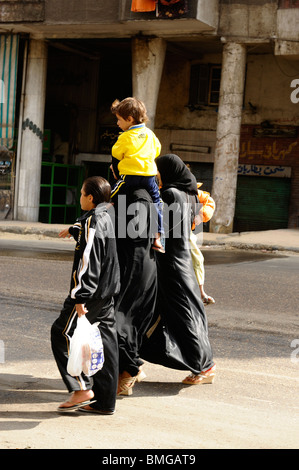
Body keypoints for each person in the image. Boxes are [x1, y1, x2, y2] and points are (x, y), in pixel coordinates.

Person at [140, 154, 215, 385]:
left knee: (184, 317)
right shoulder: (188, 194)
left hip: (172, 264)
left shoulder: (170, 194)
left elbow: (164, 229)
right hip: (181, 262)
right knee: (187, 314)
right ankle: (203, 364)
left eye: (159, 171)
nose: (157, 175)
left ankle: (204, 367)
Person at [51, 176, 120, 413]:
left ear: (91, 198)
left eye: (82, 194)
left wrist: (80, 296)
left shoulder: (93, 221)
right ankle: (104, 402)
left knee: (61, 333)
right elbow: (96, 239)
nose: (79, 197)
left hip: (90, 293)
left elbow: (89, 258)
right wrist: (74, 229)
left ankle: (81, 389)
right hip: (108, 290)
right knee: (107, 342)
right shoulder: (108, 214)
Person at [111, 167, 157, 396]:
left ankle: (132, 369)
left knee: (119, 321)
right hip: (142, 263)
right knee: (129, 324)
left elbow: (134, 234)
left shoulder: (137, 197)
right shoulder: (143, 195)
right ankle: (124, 376)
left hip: (135, 266)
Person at [110, 97, 164, 253]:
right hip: (149, 177)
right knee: (156, 204)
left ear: (129, 119)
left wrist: (117, 173)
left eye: (119, 120)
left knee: (111, 194)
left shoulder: (125, 137)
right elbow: (157, 151)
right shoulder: (150, 134)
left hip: (129, 177)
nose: (118, 124)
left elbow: (116, 155)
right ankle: (158, 237)